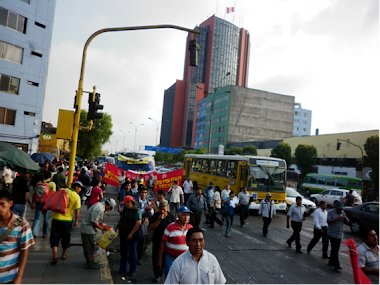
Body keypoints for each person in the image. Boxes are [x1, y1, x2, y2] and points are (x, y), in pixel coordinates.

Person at [0, 190, 35, 285]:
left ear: (10, 204)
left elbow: (24, 250)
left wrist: (19, 276)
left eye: (2, 204)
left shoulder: (21, 224)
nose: (0, 208)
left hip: (9, 278)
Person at [50, 180, 82, 264]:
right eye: (80, 188)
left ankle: (55, 255)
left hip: (56, 218)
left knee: (54, 237)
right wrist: (76, 220)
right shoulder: (76, 196)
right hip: (67, 220)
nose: (80, 190)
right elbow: (77, 210)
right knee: (66, 237)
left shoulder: (61, 190)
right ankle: (64, 254)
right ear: (75, 187)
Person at [80, 198, 116, 269]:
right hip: (87, 229)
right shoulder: (99, 209)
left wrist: (102, 225)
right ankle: (89, 263)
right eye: (110, 208)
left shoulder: (100, 206)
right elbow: (93, 221)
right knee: (89, 247)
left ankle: (90, 261)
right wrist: (101, 228)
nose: (109, 210)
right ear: (108, 205)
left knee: (90, 246)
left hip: (89, 228)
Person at [158, 206, 193, 278]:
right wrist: (160, 258)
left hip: (186, 258)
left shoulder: (190, 228)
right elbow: (163, 243)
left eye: (188, 215)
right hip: (171, 258)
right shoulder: (170, 227)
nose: (186, 217)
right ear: (178, 216)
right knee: (170, 277)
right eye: (183, 215)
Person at [149, 200, 175, 283]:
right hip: (158, 240)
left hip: (168, 241)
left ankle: (164, 269)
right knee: (156, 257)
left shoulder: (171, 217)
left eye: (164, 209)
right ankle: (157, 274)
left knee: (166, 257)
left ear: (167, 208)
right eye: (161, 209)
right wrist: (159, 220)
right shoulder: (156, 216)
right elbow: (151, 227)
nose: (162, 211)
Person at [116, 195, 142, 277]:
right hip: (123, 234)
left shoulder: (136, 211)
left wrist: (131, 234)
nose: (124, 205)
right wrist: (117, 228)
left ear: (130, 202)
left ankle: (132, 269)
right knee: (123, 252)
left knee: (132, 253)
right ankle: (122, 268)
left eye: (125, 203)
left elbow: (138, 223)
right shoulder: (125, 210)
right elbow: (121, 219)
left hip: (131, 236)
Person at [32, 170, 56, 238]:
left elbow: (35, 193)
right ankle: (45, 233)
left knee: (37, 219)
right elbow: (53, 194)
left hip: (38, 202)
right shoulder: (52, 184)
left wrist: (33, 202)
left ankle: (34, 232)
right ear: (50, 177)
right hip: (47, 204)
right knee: (47, 219)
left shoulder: (39, 182)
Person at [144, 189, 169, 253]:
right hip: (153, 220)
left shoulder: (166, 202)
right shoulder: (152, 201)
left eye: (161, 195)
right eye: (159, 195)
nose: (160, 196)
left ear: (163, 196)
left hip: (162, 221)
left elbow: (167, 212)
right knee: (149, 236)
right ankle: (146, 247)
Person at [327, 200, 349, 271]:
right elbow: (328, 221)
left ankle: (331, 261)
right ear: (335, 207)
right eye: (339, 209)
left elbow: (348, 222)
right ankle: (336, 264)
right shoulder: (330, 212)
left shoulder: (343, 213)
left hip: (339, 234)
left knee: (335, 249)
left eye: (341, 209)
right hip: (332, 233)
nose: (340, 210)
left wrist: (345, 219)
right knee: (335, 249)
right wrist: (337, 218)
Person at [134, 187, 154, 263]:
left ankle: (138, 258)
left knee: (141, 243)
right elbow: (135, 211)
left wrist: (149, 210)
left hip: (144, 225)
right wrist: (144, 210)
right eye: (143, 192)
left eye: (145, 193)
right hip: (135, 224)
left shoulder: (148, 202)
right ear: (139, 193)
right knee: (135, 242)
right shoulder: (135, 201)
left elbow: (151, 213)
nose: (144, 194)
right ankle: (133, 258)